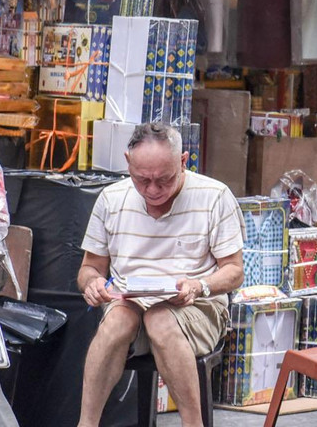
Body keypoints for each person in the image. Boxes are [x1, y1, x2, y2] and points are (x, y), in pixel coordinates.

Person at [76, 123, 245, 427]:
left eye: (164, 179)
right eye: (142, 180)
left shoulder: (214, 196)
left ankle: (193, 424)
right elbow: (90, 268)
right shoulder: (111, 199)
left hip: (198, 307)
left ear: (183, 161)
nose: (153, 190)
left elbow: (234, 272)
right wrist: (93, 284)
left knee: (160, 318)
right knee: (116, 320)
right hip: (130, 302)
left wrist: (199, 285)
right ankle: (86, 424)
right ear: (128, 162)